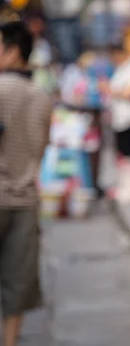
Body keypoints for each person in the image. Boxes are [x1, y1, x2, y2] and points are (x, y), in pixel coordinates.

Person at [0, 21, 52, 346]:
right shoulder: (42, 97)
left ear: (13, 52)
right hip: (25, 199)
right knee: (17, 281)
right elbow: (41, 149)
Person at [107, 42, 130, 161]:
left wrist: (109, 90)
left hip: (129, 118)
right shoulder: (120, 68)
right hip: (118, 119)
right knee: (121, 156)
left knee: (129, 156)